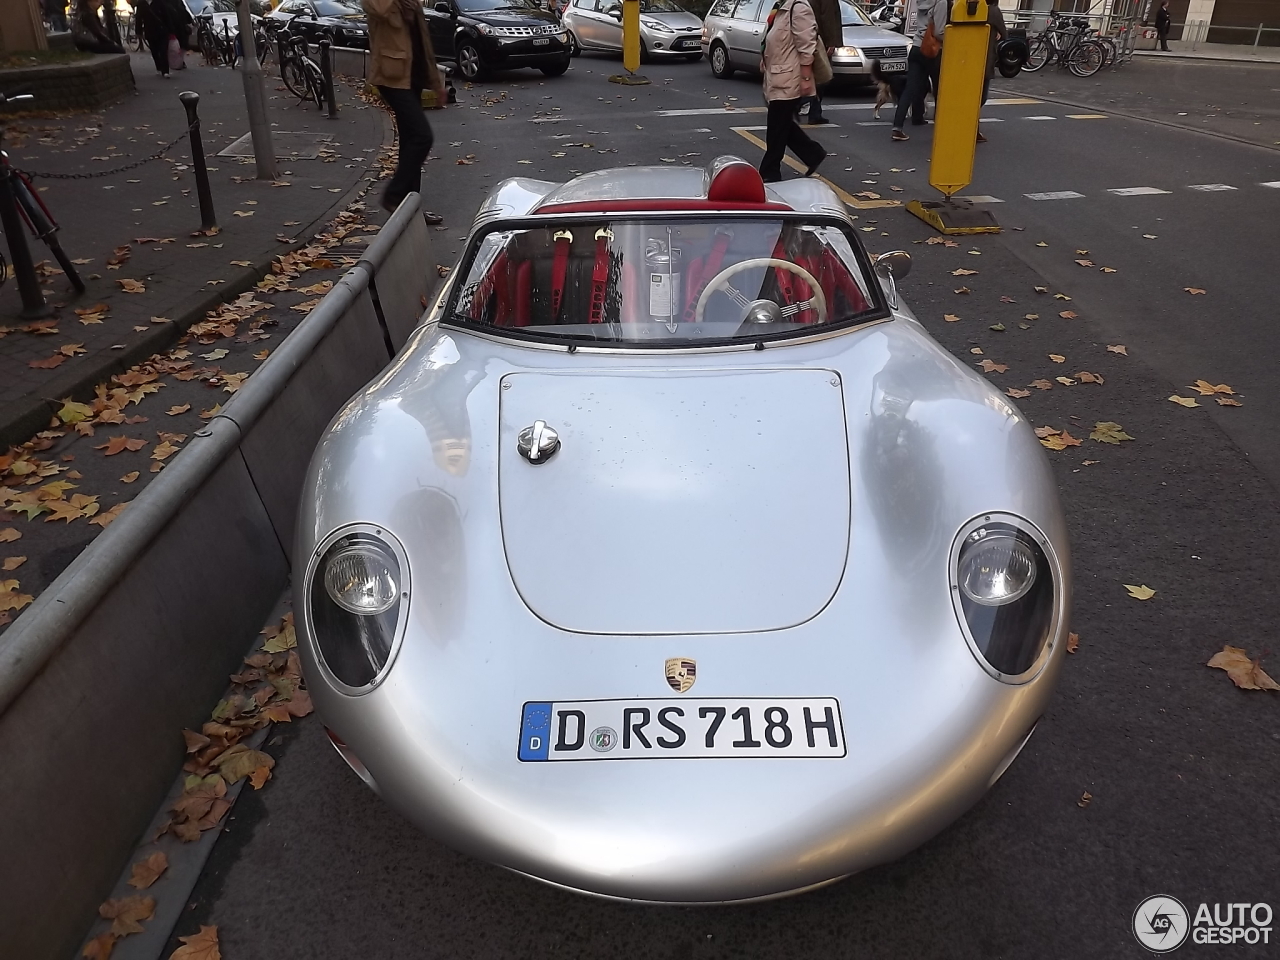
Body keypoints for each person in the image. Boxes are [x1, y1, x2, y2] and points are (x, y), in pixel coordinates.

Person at [364, 0, 449, 220]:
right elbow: (379, 10)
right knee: (422, 137)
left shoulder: (411, 3)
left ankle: (410, 208)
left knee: (411, 141)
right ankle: (394, 195)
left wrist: (436, 83)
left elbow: (423, 44)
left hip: (413, 77)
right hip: (390, 76)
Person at [758, 0, 827, 182]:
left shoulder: (799, 8)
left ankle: (769, 171)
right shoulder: (780, 8)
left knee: (776, 126)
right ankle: (813, 153)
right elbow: (773, 39)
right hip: (777, 74)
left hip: (790, 77)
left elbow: (807, 46)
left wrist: (805, 78)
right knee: (782, 124)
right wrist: (765, 58)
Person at [891, 0, 945, 141]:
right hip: (932, 50)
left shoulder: (921, 1)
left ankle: (898, 126)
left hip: (916, 47)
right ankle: (942, 123)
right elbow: (939, 32)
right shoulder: (941, 2)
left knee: (910, 89)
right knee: (940, 88)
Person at [799, 0, 840, 125]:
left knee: (815, 79)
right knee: (822, 78)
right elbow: (828, 17)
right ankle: (802, 106)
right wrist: (831, 42)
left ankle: (815, 112)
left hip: (809, 37)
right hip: (820, 39)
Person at [977, 0, 1006, 142]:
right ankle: (973, 126)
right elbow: (1004, 33)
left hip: (964, 59)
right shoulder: (993, 11)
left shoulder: (963, 7)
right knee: (980, 97)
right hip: (985, 58)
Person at [136, 0, 174, 76]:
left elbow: (167, 16)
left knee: (163, 51)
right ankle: (159, 67)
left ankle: (165, 71)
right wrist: (138, 31)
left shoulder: (159, 2)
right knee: (154, 51)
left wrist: (171, 30)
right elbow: (139, 18)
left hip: (162, 30)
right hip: (150, 31)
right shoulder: (141, 4)